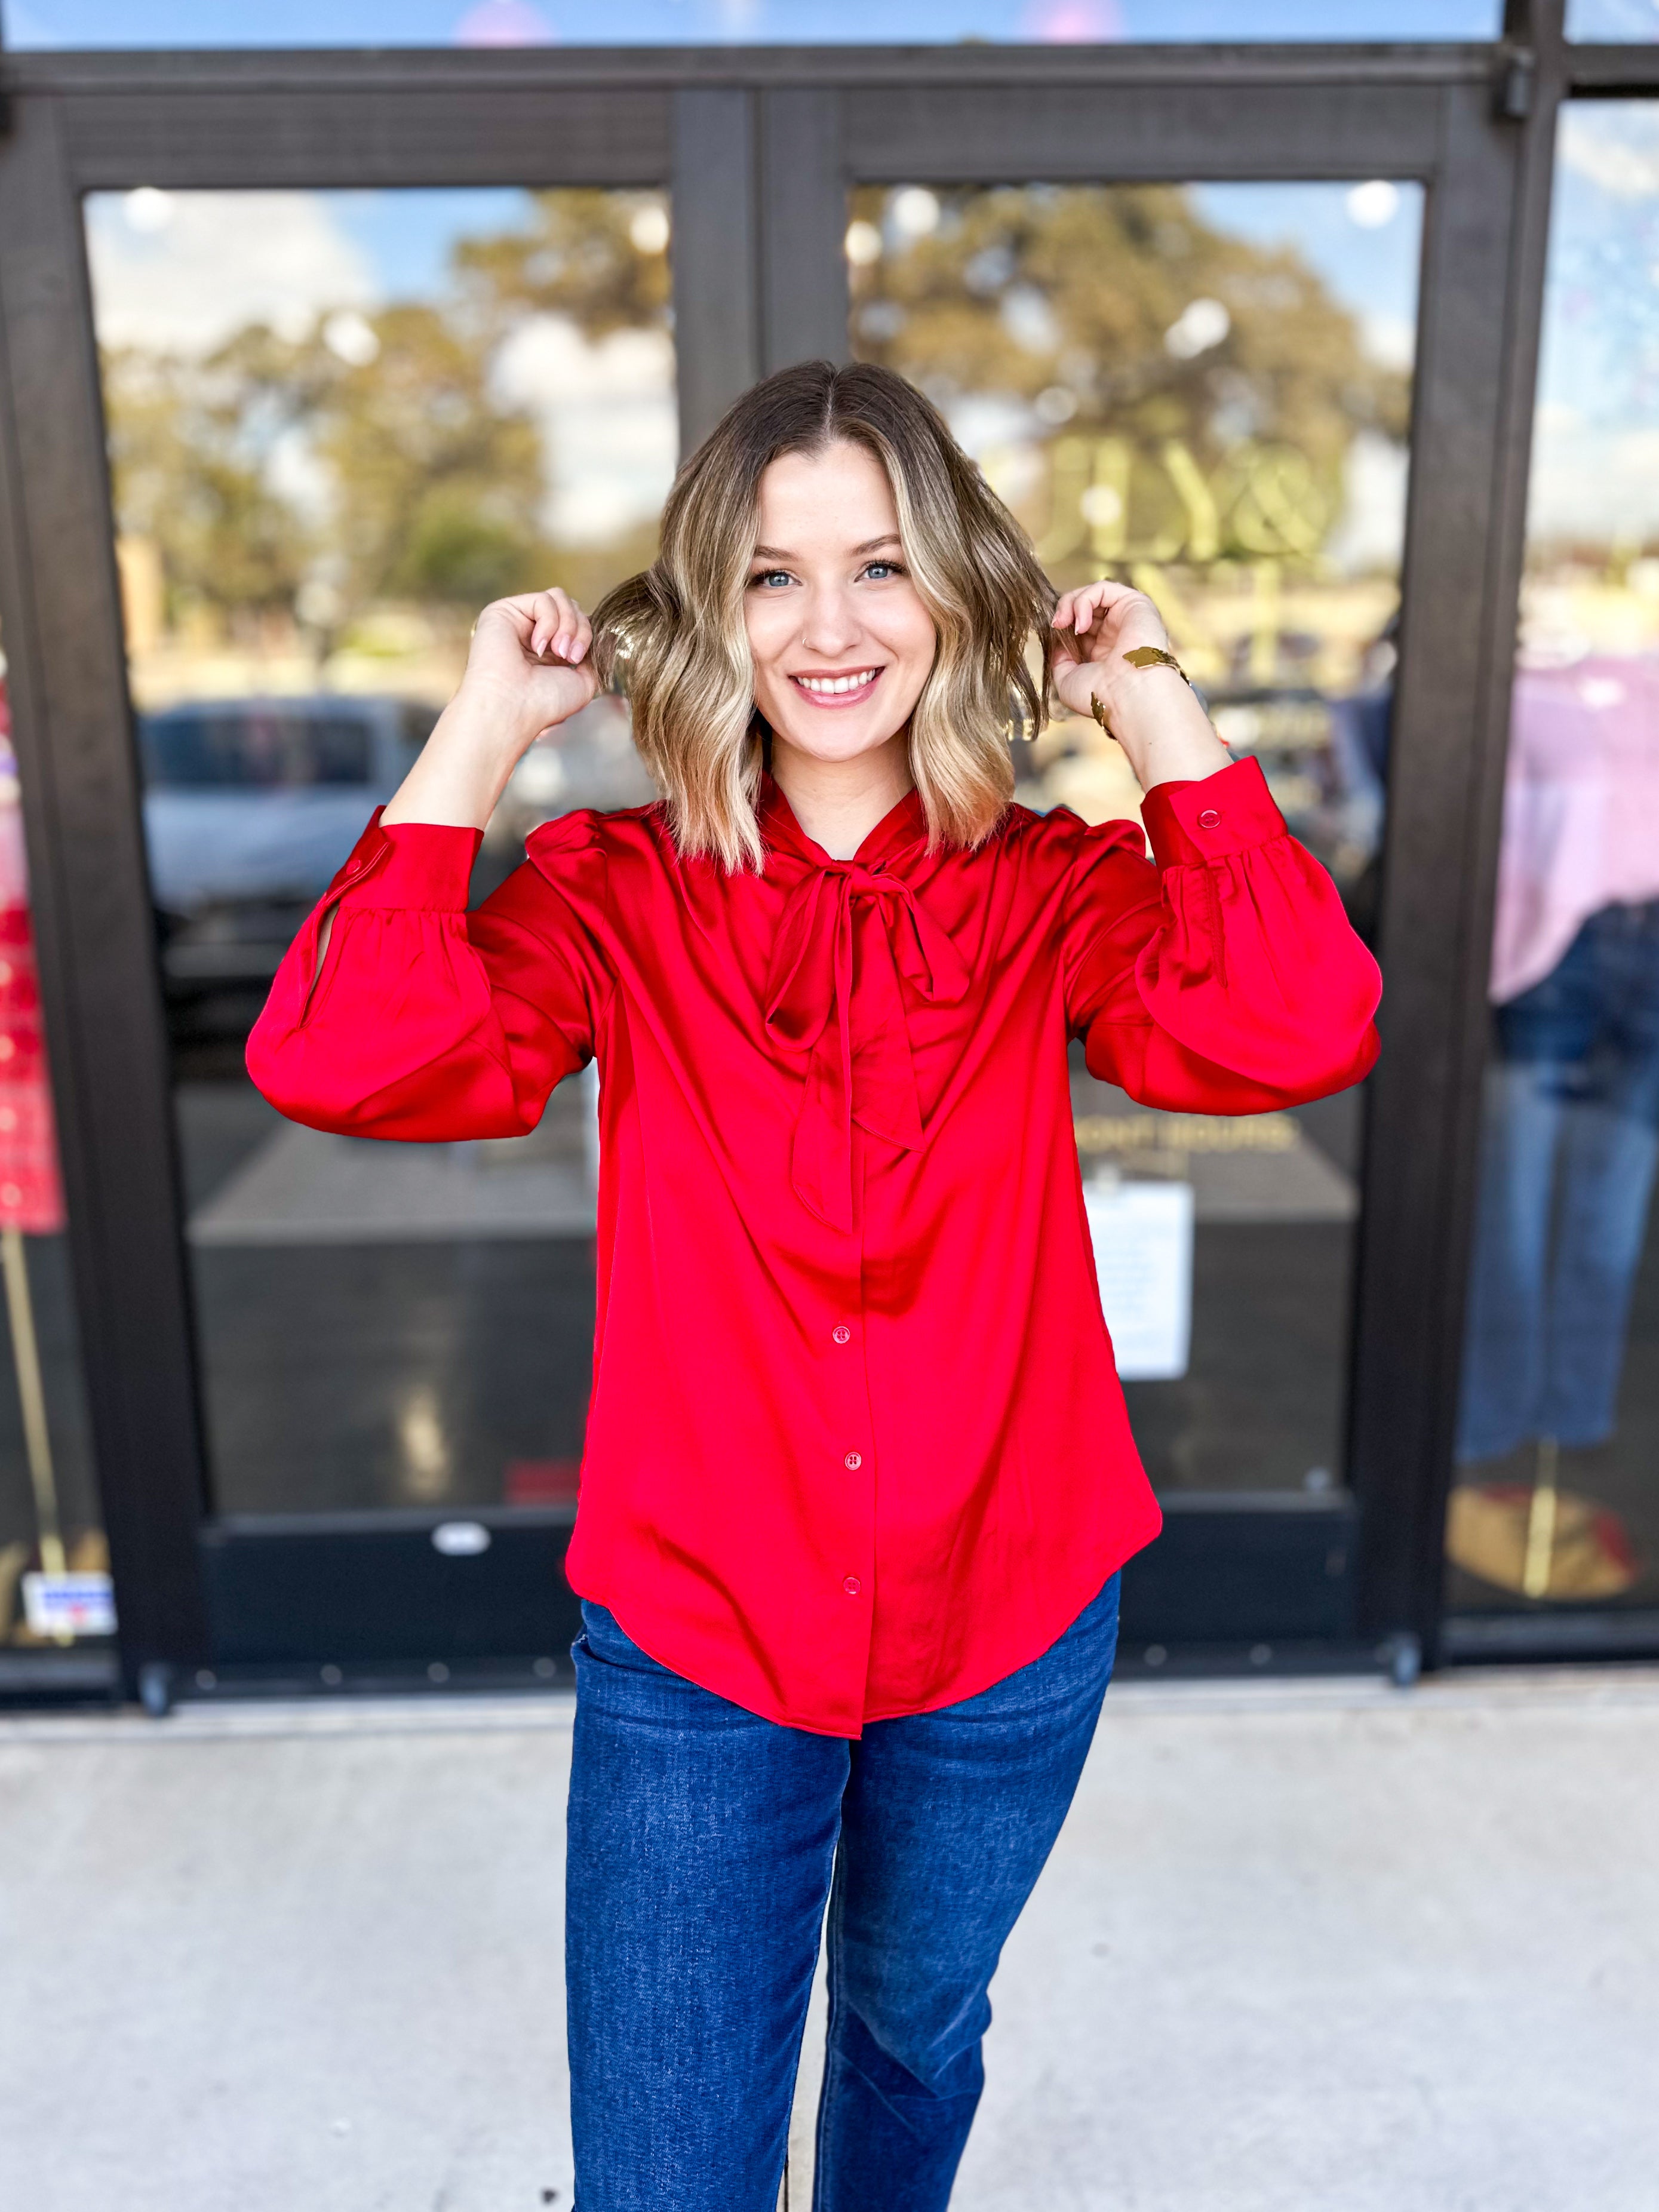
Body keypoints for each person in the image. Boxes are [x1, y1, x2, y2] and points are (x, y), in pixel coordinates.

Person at [248, 361, 1381, 2212]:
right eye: (773, 576)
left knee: (910, 2037)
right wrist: (478, 734)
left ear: (951, 590)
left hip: (1005, 1620)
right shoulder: (615, 888)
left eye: (879, 566)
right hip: (703, 1638)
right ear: (712, 607)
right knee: (666, 2166)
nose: (830, 628)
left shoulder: (1049, 886)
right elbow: (344, 1057)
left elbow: (1297, 1021)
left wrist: (1150, 702)